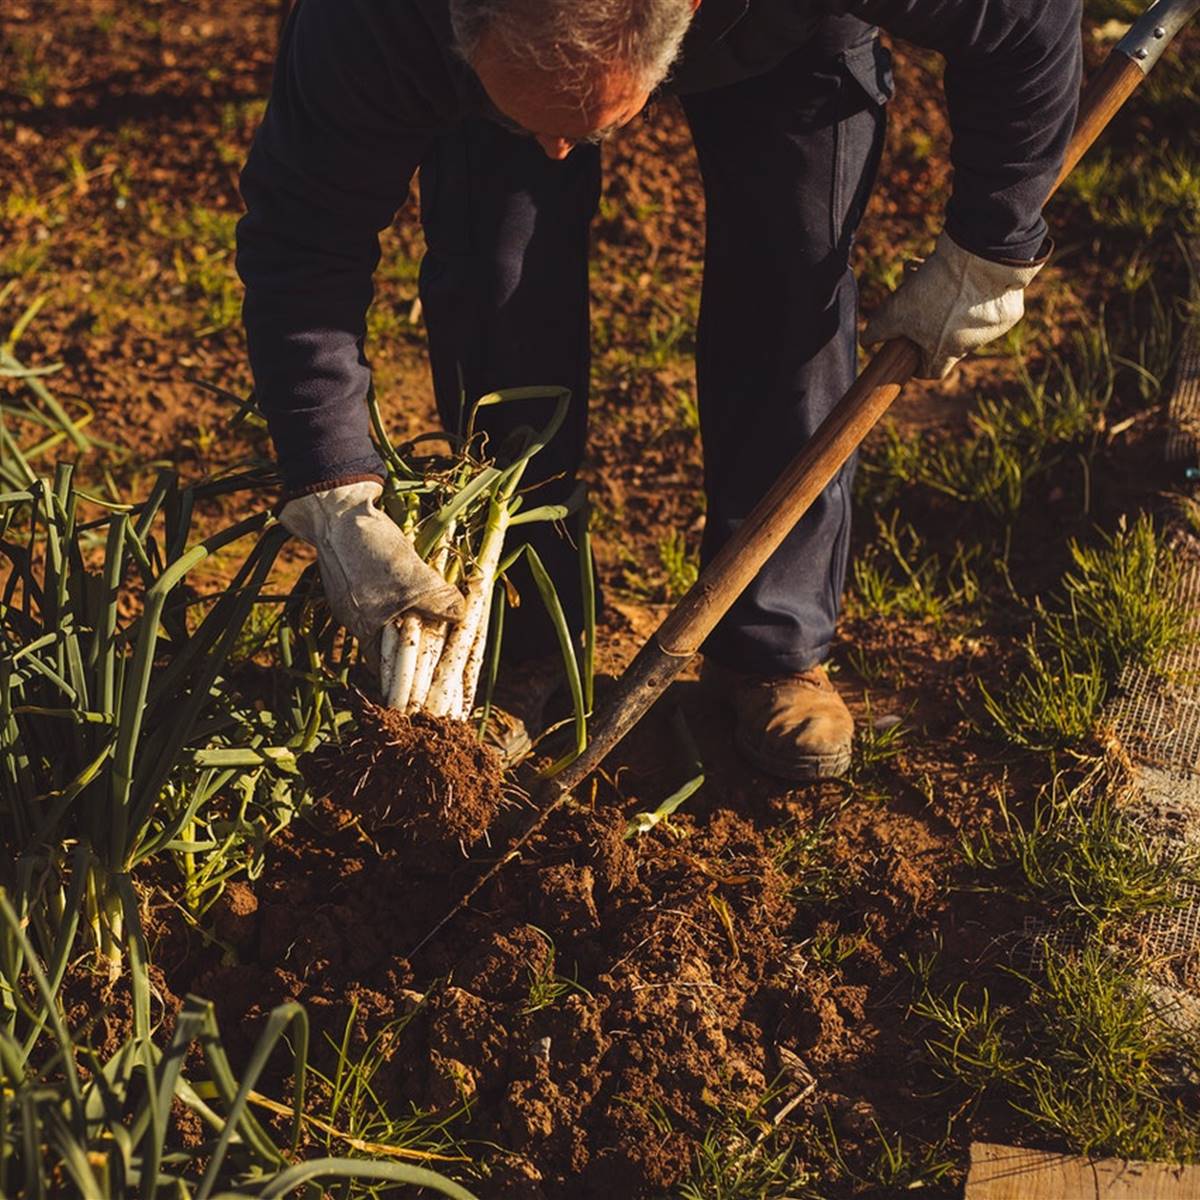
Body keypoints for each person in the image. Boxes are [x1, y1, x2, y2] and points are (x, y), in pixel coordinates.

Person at [237, 0, 1082, 780]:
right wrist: (334, 486)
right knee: (496, 283)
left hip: (783, 30)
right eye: (536, 113)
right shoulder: (378, 20)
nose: (559, 151)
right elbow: (301, 234)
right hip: (472, 58)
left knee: (794, 277)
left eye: (584, 125)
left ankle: (770, 647)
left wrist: (993, 244)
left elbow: (1026, 21)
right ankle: (528, 644)